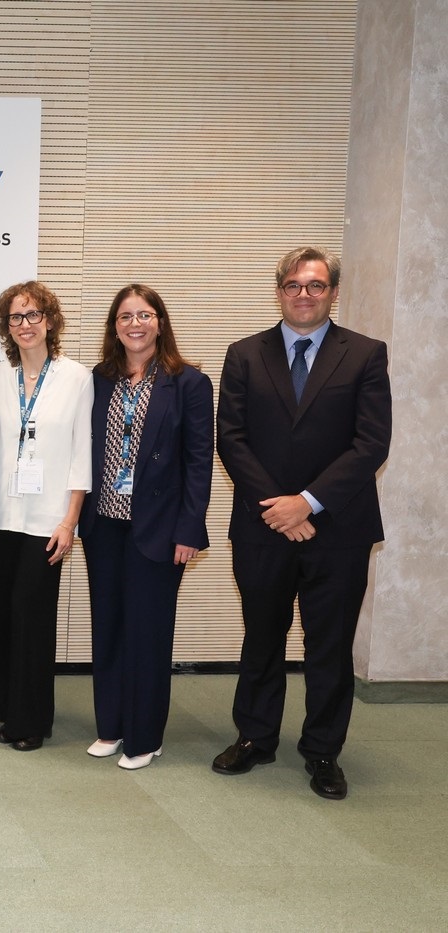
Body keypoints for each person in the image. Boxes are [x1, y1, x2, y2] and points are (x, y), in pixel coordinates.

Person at [212, 247, 391, 800]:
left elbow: (371, 443)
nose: (304, 294)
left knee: (328, 645)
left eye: (315, 285)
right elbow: (231, 440)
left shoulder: (364, 354)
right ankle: (256, 737)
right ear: (279, 291)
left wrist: (308, 502)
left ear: (333, 292)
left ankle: (322, 751)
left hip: (338, 529)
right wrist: (280, 507)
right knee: (261, 637)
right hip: (264, 526)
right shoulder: (244, 354)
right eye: (293, 285)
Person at [78, 285, 213, 770]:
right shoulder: (98, 379)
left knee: (148, 633)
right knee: (108, 628)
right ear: (114, 326)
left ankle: (145, 736)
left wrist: (189, 530)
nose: (135, 324)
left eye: (145, 314)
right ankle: (111, 726)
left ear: (160, 322)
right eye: (125, 316)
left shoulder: (189, 383)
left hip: (158, 528)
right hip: (104, 525)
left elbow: (199, 464)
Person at [0, 281, 92, 751]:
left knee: (33, 620)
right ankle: (3, 705)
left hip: (47, 520)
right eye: (15, 317)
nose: (24, 325)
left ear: (49, 320)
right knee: (2, 616)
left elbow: (80, 455)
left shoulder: (76, 377)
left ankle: (30, 722)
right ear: (7, 328)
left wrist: (69, 522)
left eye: (33, 315)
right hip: (1, 515)